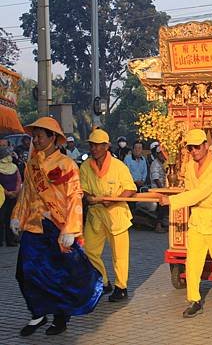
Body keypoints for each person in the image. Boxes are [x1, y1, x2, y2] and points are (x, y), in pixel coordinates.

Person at [11, 117, 102, 336]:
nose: (36, 139)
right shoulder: (31, 164)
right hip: (34, 226)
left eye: (40, 136)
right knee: (25, 272)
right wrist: (17, 216)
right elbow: (26, 194)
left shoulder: (67, 164)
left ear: (53, 138)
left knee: (59, 274)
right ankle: (38, 312)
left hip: (58, 226)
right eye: (34, 136)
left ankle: (61, 316)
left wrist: (70, 228)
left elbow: (74, 198)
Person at [158, 129, 212, 318]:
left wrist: (172, 201)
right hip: (198, 220)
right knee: (192, 262)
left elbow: (199, 193)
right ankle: (194, 299)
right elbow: (190, 191)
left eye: (196, 147)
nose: (193, 151)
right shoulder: (190, 168)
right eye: (190, 148)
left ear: (205, 146)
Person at [80, 128, 137, 302]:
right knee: (88, 250)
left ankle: (121, 287)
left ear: (107, 146)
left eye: (98, 145)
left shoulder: (119, 166)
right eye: (92, 145)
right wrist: (89, 198)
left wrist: (113, 200)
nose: (94, 149)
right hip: (96, 215)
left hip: (116, 214)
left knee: (119, 255)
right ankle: (104, 282)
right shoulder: (85, 167)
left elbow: (130, 188)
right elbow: (83, 190)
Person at [0, 145, 21, 246]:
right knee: (1, 218)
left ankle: (11, 240)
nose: (10, 157)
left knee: (11, 218)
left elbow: (18, 180)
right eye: (7, 155)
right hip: (2, 197)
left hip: (13, 196)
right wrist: (6, 192)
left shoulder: (14, 167)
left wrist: (16, 192)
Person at [150, 146, 168, 233]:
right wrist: (163, 190)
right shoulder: (155, 164)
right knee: (162, 203)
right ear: (157, 154)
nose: (163, 155)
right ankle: (158, 225)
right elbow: (156, 179)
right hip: (156, 190)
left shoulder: (164, 163)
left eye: (164, 153)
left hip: (164, 189)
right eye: (161, 153)